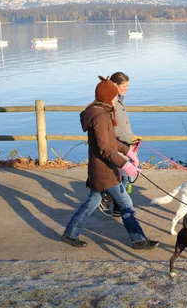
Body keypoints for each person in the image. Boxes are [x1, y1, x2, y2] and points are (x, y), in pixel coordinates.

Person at [62, 76, 159, 250]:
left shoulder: (102, 113)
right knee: (126, 204)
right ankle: (139, 240)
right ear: (107, 97)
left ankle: (70, 234)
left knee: (91, 203)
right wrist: (125, 165)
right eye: (114, 96)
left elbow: (111, 141)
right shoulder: (100, 117)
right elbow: (105, 149)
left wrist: (127, 151)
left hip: (103, 169)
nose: (117, 99)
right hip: (105, 171)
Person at [99, 71, 137, 217]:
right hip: (117, 144)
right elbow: (112, 127)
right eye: (124, 86)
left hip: (124, 143)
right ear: (115, 85)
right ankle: (107, 198)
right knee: (124, 176)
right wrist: (129, 137)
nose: (126, 89)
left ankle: (117, 207)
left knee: (123, 176)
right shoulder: (110, 102)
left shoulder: (119, 99)